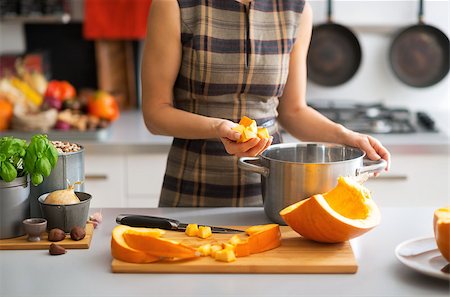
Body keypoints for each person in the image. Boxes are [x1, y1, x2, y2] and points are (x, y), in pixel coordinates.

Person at [141, 0, 390, 207]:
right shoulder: (175, 4)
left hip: (274, 191)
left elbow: (293, 111)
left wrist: (345, 136)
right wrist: (217, 127)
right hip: (192, 189)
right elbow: (155, 113)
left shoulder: (296, 10)